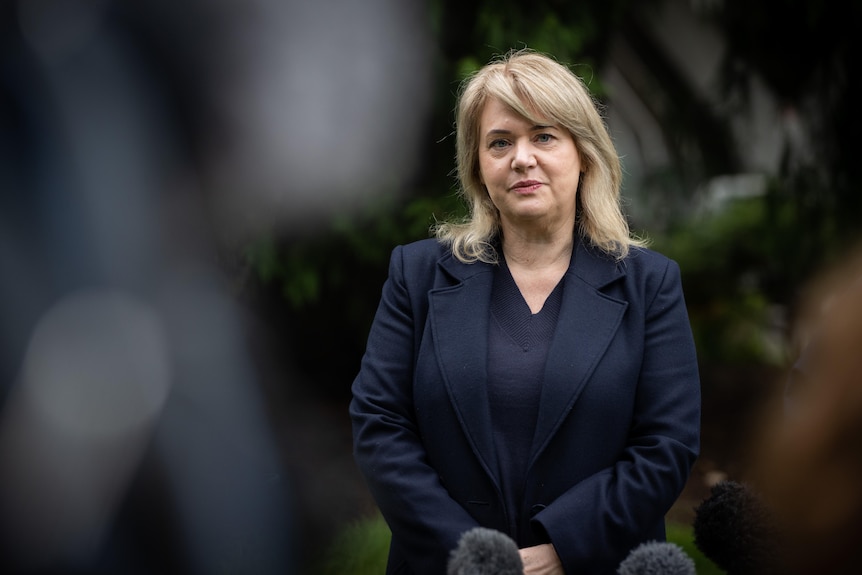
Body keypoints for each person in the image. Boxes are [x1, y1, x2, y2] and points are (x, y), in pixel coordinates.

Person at [349, 49, 701, 575]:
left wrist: (565, 550)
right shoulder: (417, 276)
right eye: (500, 142)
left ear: (583, 154)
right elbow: (380, 426)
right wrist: (473, 558)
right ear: (478, 166)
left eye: (543, 136)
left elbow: (666, 443)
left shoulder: (650, 285)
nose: (521, 157)